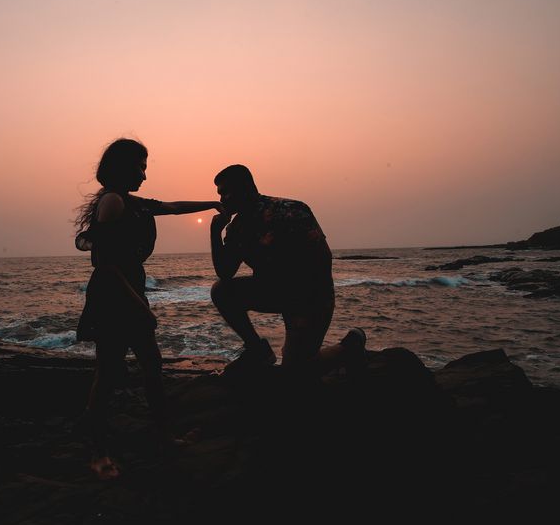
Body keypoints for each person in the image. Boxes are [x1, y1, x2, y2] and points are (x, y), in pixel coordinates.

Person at [74, 138, 221, 477]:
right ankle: (98, 451)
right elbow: (105, 261)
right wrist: (139, 304)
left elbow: (172, 206)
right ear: (122, 167)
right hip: (114, 292)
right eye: (140, 166)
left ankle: (163, 435)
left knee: (152, 366)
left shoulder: (133, 202)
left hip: (131, 286)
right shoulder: (112, 201)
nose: (144, 174)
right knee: (109, 373)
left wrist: (211, 203)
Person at [209, 164, 366, 384]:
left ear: (246, 187)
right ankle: (257, 349)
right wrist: (215, 233)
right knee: (221, 291)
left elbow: (323, 259)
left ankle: (351, 346)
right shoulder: (237, 228)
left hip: (310, 296)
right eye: (219, 194)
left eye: (226, 192)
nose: (222, 199)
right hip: (275, 292)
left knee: (296, 372)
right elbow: (225, 273)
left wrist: (301, 311)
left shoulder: (291, 210)